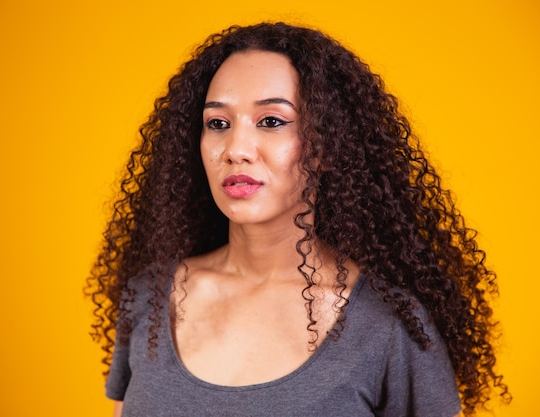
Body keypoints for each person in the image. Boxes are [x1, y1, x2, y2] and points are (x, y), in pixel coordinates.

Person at [86, 22, 510, 416]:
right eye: (218, 123)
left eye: (271, 121)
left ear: (325, 146)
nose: (236, 148)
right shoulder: (148, 298)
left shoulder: (391, 326)